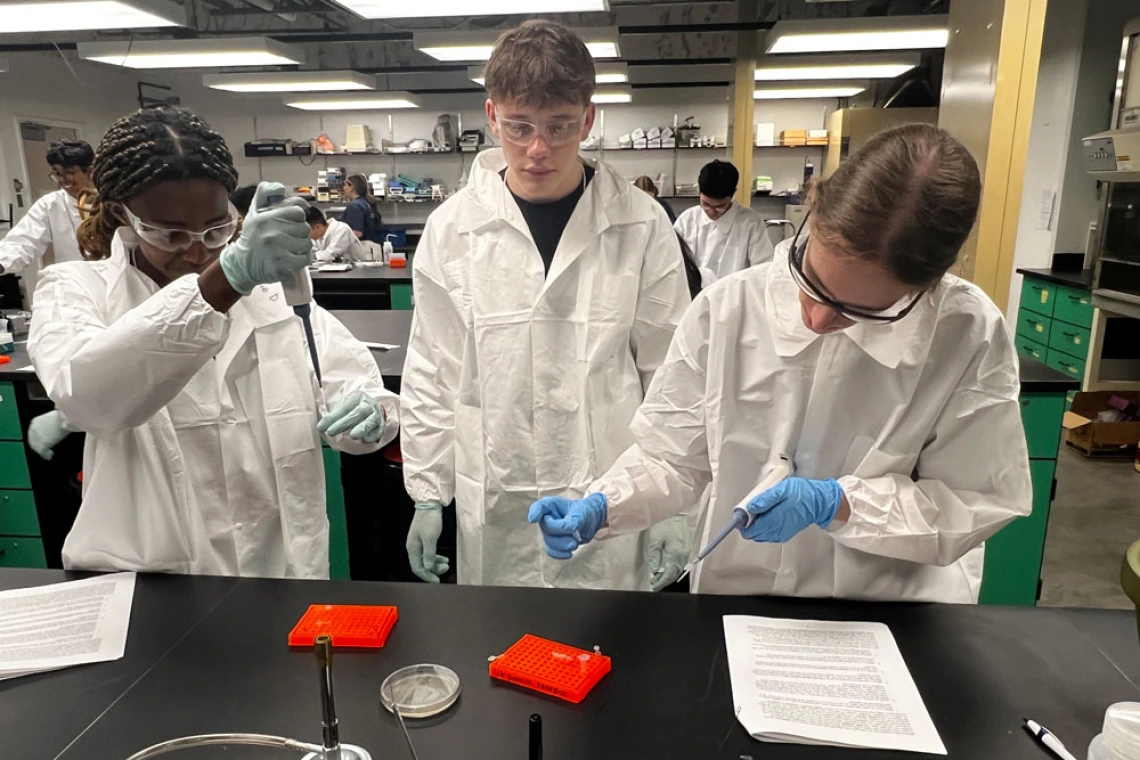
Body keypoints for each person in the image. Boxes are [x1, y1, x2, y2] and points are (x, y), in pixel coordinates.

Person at [529, 123, 1032, 603]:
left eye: (858, 311)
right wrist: (604, 505)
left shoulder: (965, 332)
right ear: (813, 213)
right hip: (738, 592)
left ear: (926, 287)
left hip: (892, 606)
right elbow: (674, 457)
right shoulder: (728, 309)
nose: (816, 317)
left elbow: (977, 500)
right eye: (812, 279)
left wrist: (842, 504)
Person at [28, 107, 400, 578]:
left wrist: (372, 413)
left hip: (281, 573)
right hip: (152, 584)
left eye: (215, 228)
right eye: (171, 233)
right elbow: (90, 398)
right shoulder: (74, 288)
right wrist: (225, 279)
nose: (198, 249)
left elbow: (353, 383)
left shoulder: (271, 299)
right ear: (123, 212)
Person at [400, 20, 689, 589]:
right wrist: (429, 494)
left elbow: (672, 373)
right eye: (519, 126)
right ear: (491, 116)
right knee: (500, 654)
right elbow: (433, 368)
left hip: (610, 488)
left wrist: (673, 503)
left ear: (587, 118)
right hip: (498, 493)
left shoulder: (641, 222)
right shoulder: (453, 228)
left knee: (608, 658)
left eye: (559, 127)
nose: (537, 149)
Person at [0, 139, 94, 275]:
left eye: (68, 172)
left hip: (117, 281)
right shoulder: (50, 204)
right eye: (57, 173)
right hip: (75, 283)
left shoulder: (113, 199)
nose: (62, 179)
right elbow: (24, 240)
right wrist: (2, 262)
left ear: (90, 171)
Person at [674, 160, 773, 279]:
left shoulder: (750, 223)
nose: (711, 211)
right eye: (705, 204)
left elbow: (763, 270)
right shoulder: (686, 220)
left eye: (719, 207)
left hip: (734, 294)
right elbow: (673, 263)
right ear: (699, 192)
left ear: (733, 195)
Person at [342, 174, 380, 242]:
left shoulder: (355, 206)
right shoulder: (366, 202)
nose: (343, 188)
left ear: (352, 187)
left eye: (345, 185)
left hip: (359, 248)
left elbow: (357, 233)